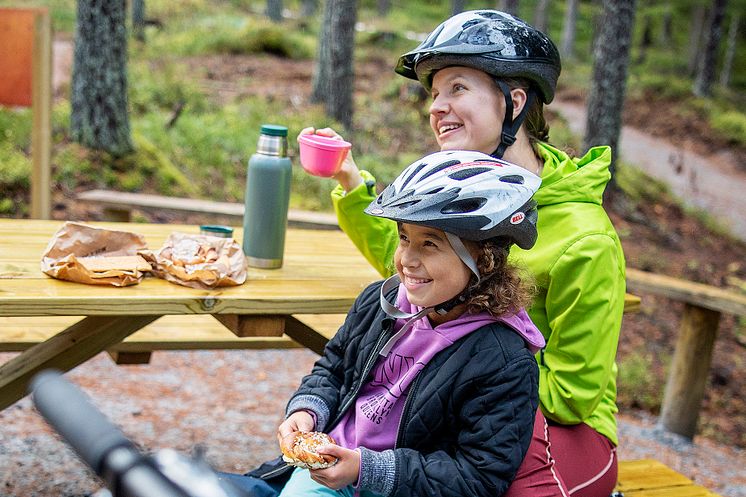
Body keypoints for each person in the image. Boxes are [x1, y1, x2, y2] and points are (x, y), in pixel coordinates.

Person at [301, 9, 626, 497]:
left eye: (456, 88)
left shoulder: (585, 237)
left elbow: (573, 395)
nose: (436, 106)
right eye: (433, 94)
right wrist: (352, 183)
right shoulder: (463, 194)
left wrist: (451, 386)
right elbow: (418, 263)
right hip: (474, 397)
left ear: (513, 102)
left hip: (557, 427)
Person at [221, 150, 546, 497]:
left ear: (483, 259)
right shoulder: (381, 304)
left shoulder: (503, 361)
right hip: (322, 471)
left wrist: (367, 469)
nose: (407, 259)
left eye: (430, 244)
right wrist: (308, 409)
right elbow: (333, 368)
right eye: (405, 237)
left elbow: (478, 479)